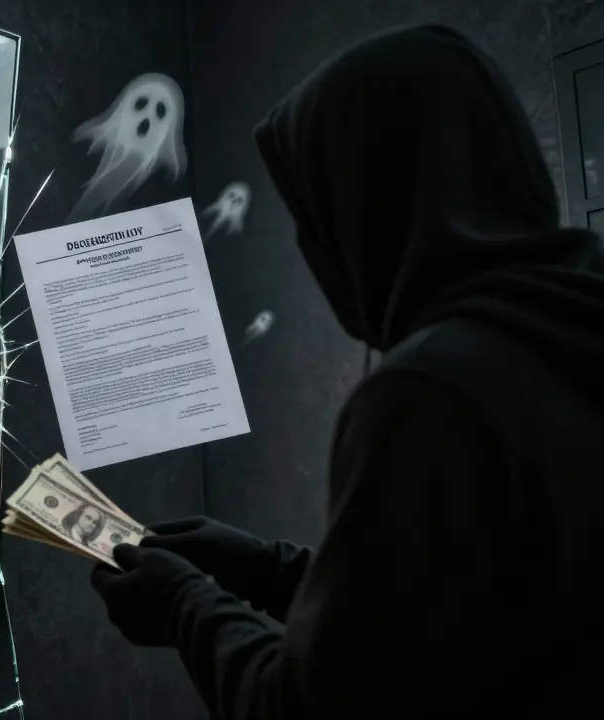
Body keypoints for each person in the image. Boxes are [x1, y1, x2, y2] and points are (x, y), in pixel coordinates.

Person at [90, 23, 604, 718]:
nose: (312, 247)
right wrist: (271, 570)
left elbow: (307, 707)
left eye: (314, 214)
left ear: (369, 207)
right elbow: (444, 608)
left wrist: (182, 605)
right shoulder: (566, 320)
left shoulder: (429, 392)